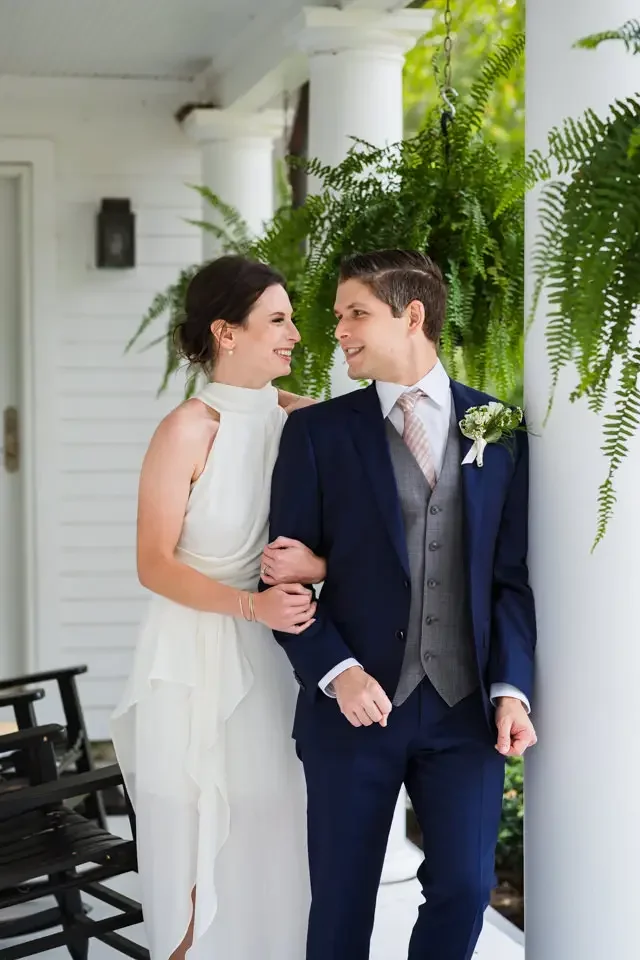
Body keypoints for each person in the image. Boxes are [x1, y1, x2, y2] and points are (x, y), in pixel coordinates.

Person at [262, 249, 537, 960]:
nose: (339, 331)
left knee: (465, 887)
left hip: (464, 709)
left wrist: (512, 691)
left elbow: (508, 577)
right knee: (343, 903)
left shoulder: (496, 429)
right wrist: (338, 672)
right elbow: (283, 583)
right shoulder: (319, 435)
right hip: (353, 709)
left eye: (355, 313)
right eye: (337, 317)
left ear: (411, 315)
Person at [111, 255, 321, 960]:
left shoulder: (308, 423)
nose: (295, 332)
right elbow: (154, 563)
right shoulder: (186, 430)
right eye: (278, 320)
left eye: (291, 318)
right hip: (195, 653)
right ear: (225, 333)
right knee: (197, 829)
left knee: (275, 825)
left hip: (277, 655)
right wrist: (248, 606)